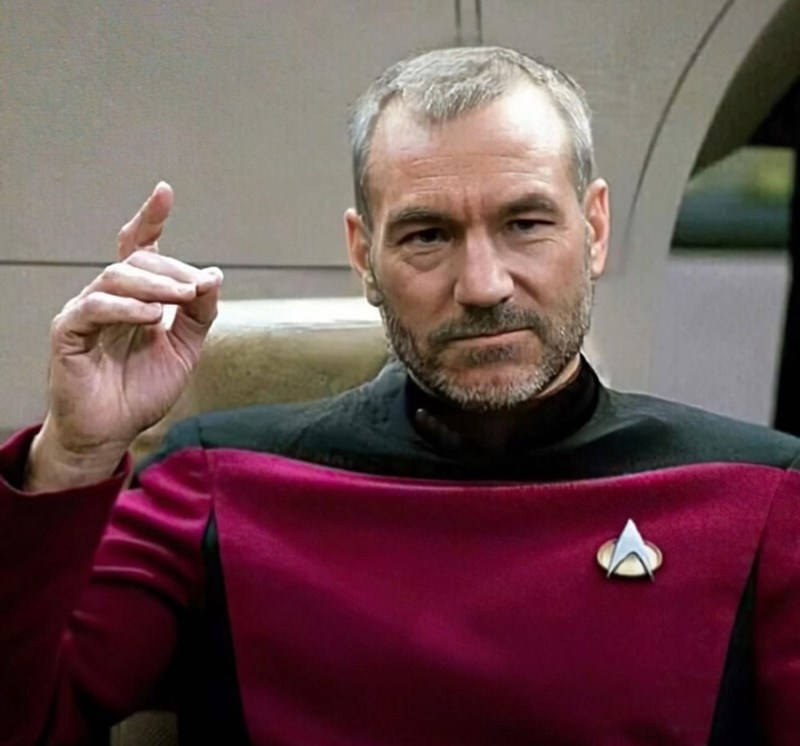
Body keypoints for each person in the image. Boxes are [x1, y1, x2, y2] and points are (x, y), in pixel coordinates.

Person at [1, 46, 799, 746]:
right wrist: (72, 454)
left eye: (525, 223)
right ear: (364, 256)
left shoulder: (758, 497)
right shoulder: (216, 486)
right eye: (428, 236)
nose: (483, 285)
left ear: (594, 229)